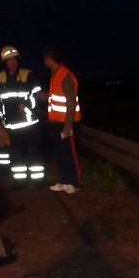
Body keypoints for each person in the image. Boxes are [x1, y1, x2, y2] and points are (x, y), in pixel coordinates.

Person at [0, 46, 45, 182]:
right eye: (9, 60)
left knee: (34, 153)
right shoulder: (0, 78)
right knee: (16, 155)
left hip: (30, 124)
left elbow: (37, 95)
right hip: (12, 125)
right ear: (4, 62)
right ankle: (20, 181)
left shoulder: (28, 75)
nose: (13, 62)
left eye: (14, 59)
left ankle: (38, 181)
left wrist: (27, 104)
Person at [43, 48, 82, 194]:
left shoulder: (65, 75)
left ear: (48, 58)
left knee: (70, 154)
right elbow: (55, 97)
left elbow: (71, 103)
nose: (44, 61)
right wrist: (42, 96)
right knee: (61, 153)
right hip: (57, 123)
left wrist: (67, 126)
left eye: (44, 58)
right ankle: (64, 181)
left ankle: (74, 183)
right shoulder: (55, 74)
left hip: (67, 124)